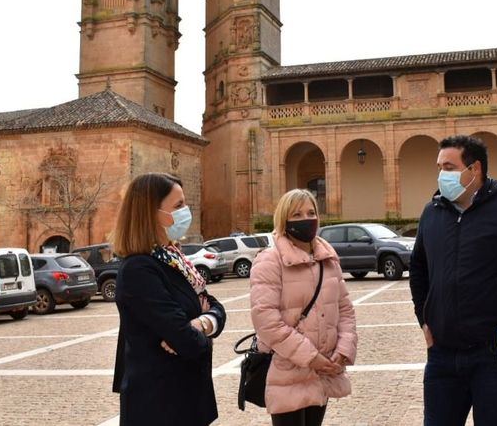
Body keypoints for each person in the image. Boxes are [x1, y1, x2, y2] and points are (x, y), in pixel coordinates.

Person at [409, 135, 497, 426]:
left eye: (449, 166)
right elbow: (418, 268)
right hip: (442, 356)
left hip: (492, 357)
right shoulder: (431, 213)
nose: (442, 175)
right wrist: (423, 317)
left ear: (475, 169)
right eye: (439, 167)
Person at [111, 172, 226, 426]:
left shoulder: (174, 258)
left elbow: (215, 306)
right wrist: (195, 333)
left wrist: (202, 323)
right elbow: (187, 342)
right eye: (178, 206)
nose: (186, 211)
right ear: (150, 213)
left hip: (189, 399)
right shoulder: (139, 269)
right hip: (159, 405)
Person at [250, 189, 357, 426]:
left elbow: (345, 310)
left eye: (311, 212)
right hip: (286, 369)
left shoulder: (327, 258)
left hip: (324, 368)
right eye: (296, 214)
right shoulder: (269, 260)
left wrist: (343, 350)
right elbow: (266, 320)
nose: (306, 219)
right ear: (284, 220)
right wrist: (310, 357)